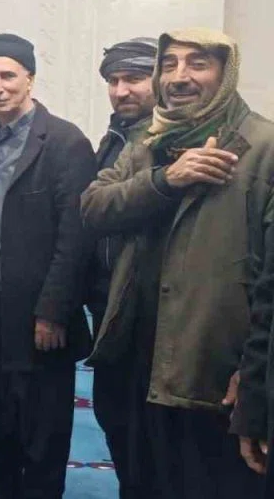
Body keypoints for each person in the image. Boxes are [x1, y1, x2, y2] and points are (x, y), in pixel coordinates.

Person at [86, 29, 269, 498]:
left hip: (210, 375)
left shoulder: (262, 149)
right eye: (168, 65)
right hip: (136, 364)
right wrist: (165, 180)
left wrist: (255, 376)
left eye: (197, 64)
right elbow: (93, 207)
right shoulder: (152, 142)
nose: (179, 77)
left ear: (226, 74)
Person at [0, 33, 95, 499]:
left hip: (34, 311)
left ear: (29, 78)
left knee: (41, 416)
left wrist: (53, 311)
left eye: (7, 75)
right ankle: (7, 488)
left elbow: (75, 237)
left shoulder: (66, 142)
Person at [86, 36, 157, 496]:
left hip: (149, 313)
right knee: (113, 415)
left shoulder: (168, 140)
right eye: (113, 80)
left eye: (133, 78)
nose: (120, 90)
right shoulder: (115, 137)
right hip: (108, 305)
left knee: (146, 432)